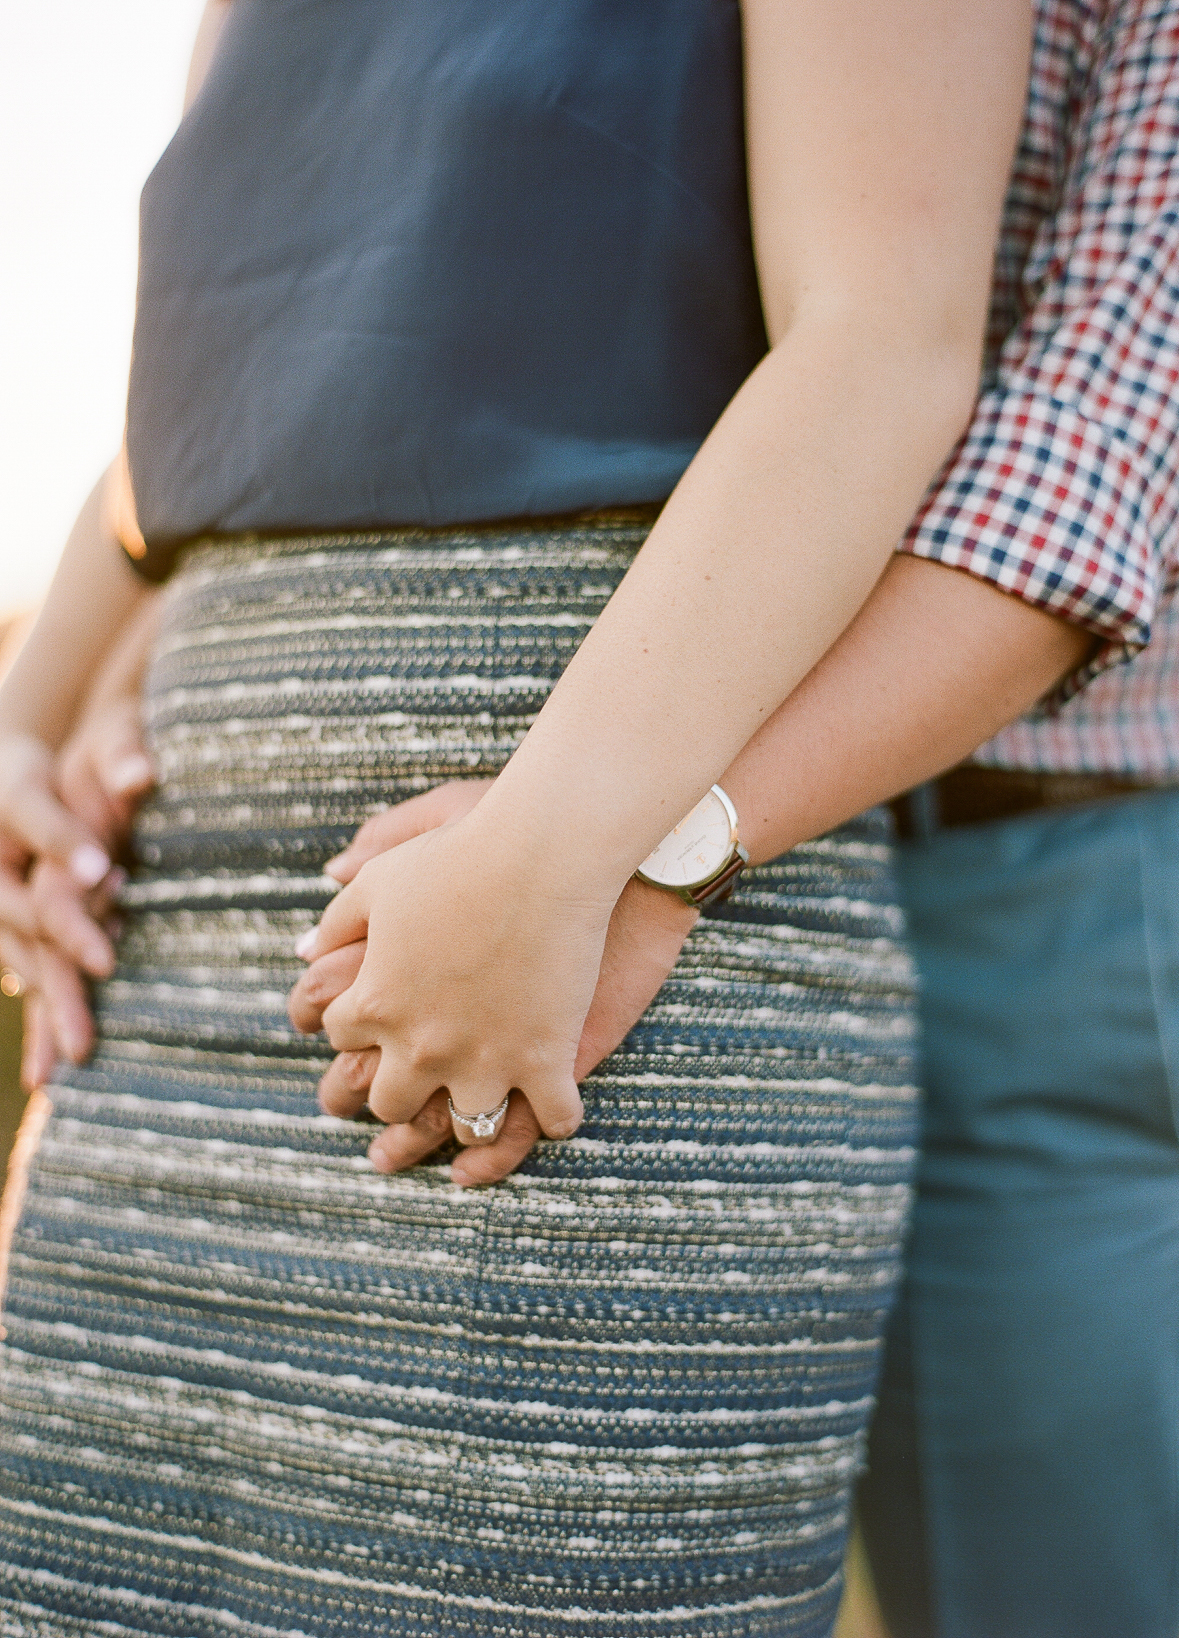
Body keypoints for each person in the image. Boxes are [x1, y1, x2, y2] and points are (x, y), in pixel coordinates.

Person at [0, 2, 1033, 1634]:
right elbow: (196, 409)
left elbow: (882, 339)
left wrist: (556, 849)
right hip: (160, 997)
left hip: (577, 958)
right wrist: (24, 723)